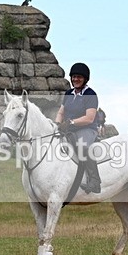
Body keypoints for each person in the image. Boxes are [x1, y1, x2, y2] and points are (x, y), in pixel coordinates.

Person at [55, 63, 101, 194]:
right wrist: (58, 124)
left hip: (87, 129)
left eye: (79, 77)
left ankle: (95, 180)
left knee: (83, 146)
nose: (76, 79)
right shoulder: (69, 93)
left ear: (85, 79)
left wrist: (71, 122)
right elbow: (60, 113)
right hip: (69, 129)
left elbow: (89, 118)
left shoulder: (91, 94)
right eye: (74, 77)